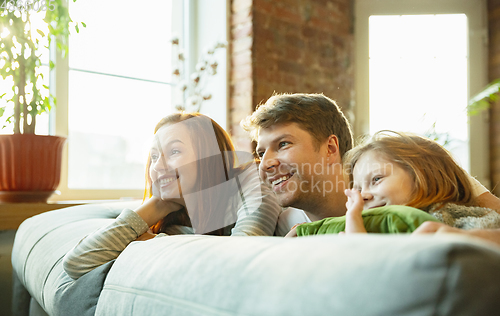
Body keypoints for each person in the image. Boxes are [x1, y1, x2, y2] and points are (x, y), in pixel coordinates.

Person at [241, 93, 500, 245]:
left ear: (331, 148)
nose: (266, 163)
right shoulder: (284, 226)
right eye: (261, 152)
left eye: (283, 144)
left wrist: (453, 239)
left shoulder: (417, 173)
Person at [63, 112, 281, 280]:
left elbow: (243, 256)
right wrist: (157, 205)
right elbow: (77, 262)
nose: (158, 166)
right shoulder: (174, 219)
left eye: (174, 152)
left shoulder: (248, 182)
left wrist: (154, 244)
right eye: (154, 156)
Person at [289, 131, 500, 237]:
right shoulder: (379, 225)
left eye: (377, 179)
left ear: (424, 176)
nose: (363, 196)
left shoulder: (451, 216)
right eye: (358, 189)